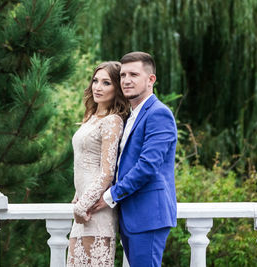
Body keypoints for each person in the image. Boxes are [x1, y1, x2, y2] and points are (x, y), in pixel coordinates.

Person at [91, 52, 178, 266]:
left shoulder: (159, 114)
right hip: (131, 215)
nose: (126, 80)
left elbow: (147, 167)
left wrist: (111, 195)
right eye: (123, 75)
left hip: (148, 215)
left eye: (134, 74)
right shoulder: (131, 116)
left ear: (151, 80)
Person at [67, 61, 129, 266]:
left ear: (117, 89)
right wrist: (78, 196)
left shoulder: (112, 121)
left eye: (106, 83)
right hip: (84, 205)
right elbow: (84, 163)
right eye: (95, 81)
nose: (98, 87)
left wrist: (83, 205)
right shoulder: (92, 117)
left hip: (96, 209)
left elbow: (106, 173)